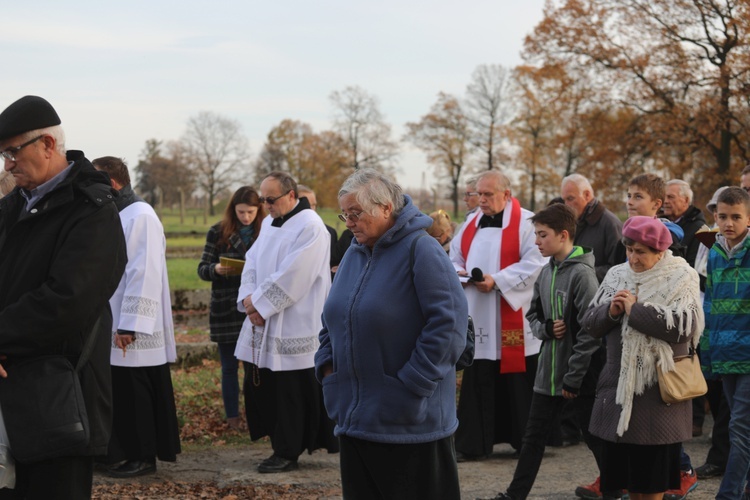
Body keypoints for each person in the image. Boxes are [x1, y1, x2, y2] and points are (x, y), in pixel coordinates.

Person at [0, 95, 127, 498]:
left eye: (12, 152)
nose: (7, 164)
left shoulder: (91, 211)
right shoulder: (12, 207)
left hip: (58, 397)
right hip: (10, 392)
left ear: (48, 145)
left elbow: (66, 300)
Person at [315, 168, 468, 499]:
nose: (348, 222)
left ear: (386, 208)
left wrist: (412, 386)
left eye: (356, 213)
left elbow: (450, 326)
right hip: (355, 420)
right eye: (345, 214)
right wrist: (329, 372)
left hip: (410, 426)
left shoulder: (421, 251)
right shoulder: (355, 253)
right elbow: (332, 317)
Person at [481, 203, 603, 500]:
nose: (536, 241)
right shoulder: (546, 271)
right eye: (535, 234)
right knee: (532, 438)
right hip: (547, 374)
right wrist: (546, 330)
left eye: (542, 235)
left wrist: (574, 378)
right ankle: (514, 495)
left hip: (577, 378)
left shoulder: (583, 276)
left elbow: (591, 332)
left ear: (563, 235)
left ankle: (615, 487)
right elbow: (533, 315)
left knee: (594, 437)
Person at [582, 216, 703, 500]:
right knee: (620, 486)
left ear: (660, 253)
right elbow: (589, 321)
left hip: (657, 398)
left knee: (650, 489)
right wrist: (611, 312)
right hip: (618, 394)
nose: (633, 259)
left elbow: (685, 327)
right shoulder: (616, 275)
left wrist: (635, 311)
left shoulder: (681, 276)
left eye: (641, 252)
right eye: (629, 250)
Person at [235, 171, 337, 473]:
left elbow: (296, 275)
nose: (266, 205)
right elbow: (250, 261)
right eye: (263, 199)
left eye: (271, 199)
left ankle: (288, 450)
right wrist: (248, 299)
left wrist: (260, 305)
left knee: (290, 390)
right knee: (268, 385)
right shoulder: (268, 223)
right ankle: (278, 443)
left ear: (292, 196)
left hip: (295, 321)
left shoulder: (311, 227)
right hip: (262, 316)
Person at [92, 156, 181, 478]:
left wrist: (130, 323)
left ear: (113, 183)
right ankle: (119, 451)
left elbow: (143, 271)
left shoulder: (140, 215)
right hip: (112, 319)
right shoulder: (118, 212)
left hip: (133, 325)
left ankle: (143, 457)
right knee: (119, 391)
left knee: (137, 394)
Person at [451, 170, 546, 460]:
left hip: (512, 312)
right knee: (479, 375)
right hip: (479, 312)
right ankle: (474, 444)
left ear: (506, 194)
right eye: (478, 193)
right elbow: (453, 258)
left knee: (518, 380)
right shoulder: (470, 223)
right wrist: (462, 274)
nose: (481, 200)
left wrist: (499, 280)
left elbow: (537, 262)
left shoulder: (527, 224)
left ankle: (524, 441)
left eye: (488, 194)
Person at [198, 186, 264, 429]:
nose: (245, 217)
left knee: (253, 367)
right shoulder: (217, 231)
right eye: (241, 212)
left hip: (253, 307)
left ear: (259, 211)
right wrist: (216, 269)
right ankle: (233, 417)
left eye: (250, 212)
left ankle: (256, 417)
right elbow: (202, 268)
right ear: (232, 209)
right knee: (228, 367)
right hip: (225, 308)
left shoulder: (266, 232)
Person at [701, 186, 750, 500]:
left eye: (736, 217)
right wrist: (707, 355)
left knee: (739, 430)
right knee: (740, 427)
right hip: (724, 352)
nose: (729, 223)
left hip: (748, 354)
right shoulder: (715, 254)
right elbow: (710, 306)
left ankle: (728, 494)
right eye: (722, 217)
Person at [561, 174, 624, 282]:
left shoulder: (611, 224)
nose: (566, 205)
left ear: (587, 195)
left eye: (570, 198)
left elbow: (619, 269)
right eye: (564, 200)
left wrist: (579, 273)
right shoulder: (571, 222)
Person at [663, 180, 706, 271]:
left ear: (686, 200)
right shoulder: (661, 224)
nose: (665, 201)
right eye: (664, 197)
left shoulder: (699, 229)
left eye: (671, 197)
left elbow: (694, 266)